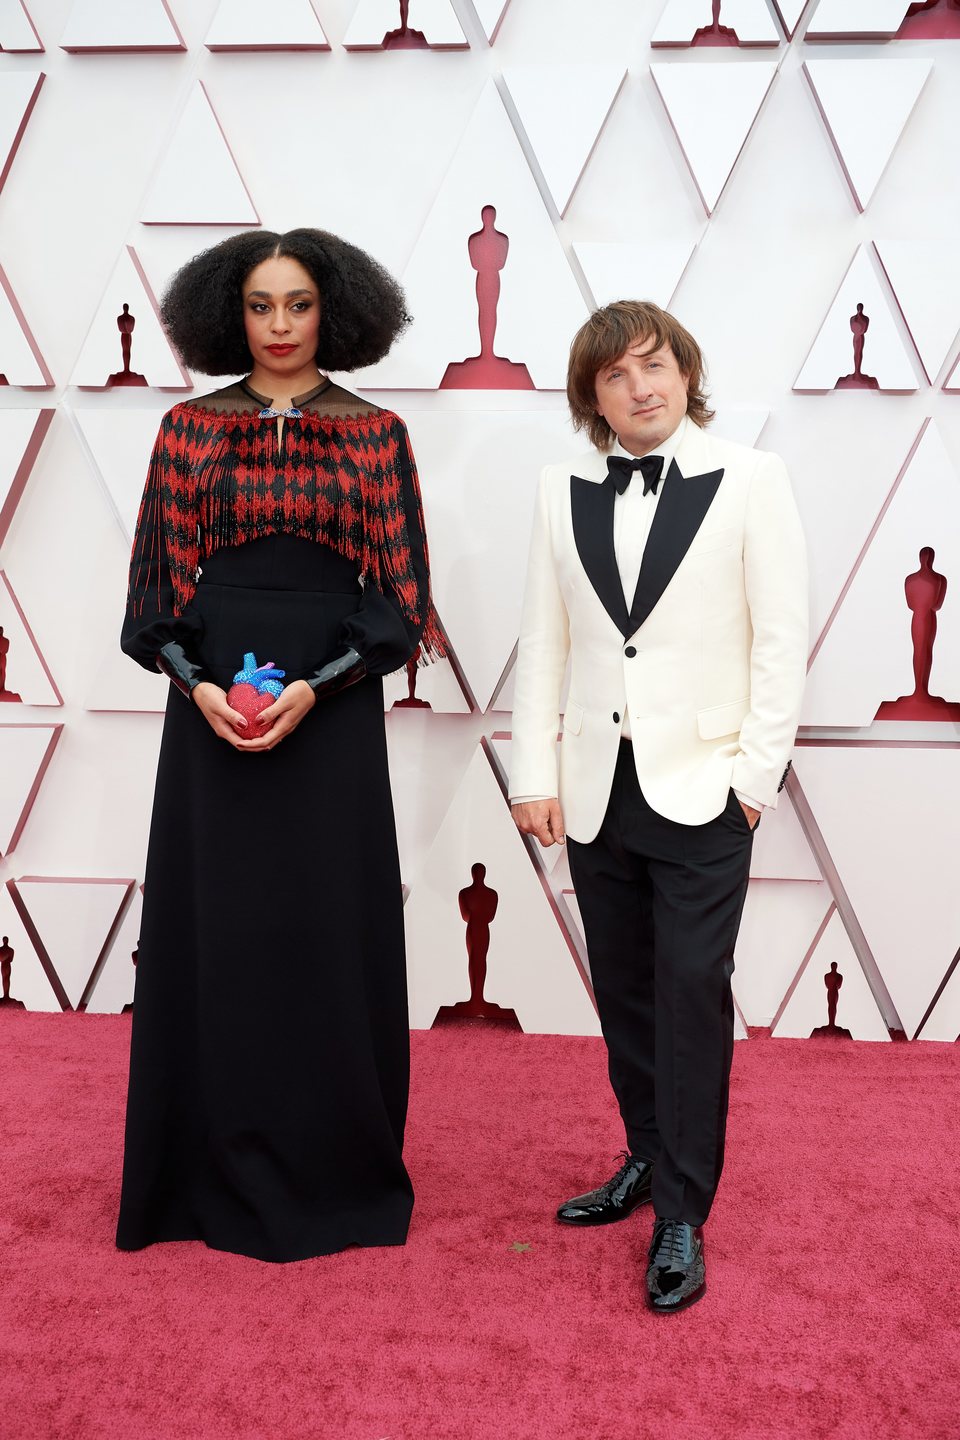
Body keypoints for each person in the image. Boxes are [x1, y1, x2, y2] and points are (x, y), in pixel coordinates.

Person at [116, 228, 443, 1264]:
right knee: (215, 935)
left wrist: (316, 689)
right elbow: (149, 603)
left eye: (299, 305)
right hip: (211, 713)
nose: (281, 327)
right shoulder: (186, 431)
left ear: (334, 312)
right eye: (261, 307)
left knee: (325, 936)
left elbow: (400, 605)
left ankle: (335, 1171)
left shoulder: (377, 436)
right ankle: (194, 1179)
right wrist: (201, 688)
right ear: (230, 316)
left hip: (329, 716)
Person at [509, 301, 807, 1312]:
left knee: (689, 990)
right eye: (617, 375)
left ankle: (683, 1208)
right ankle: (645, 1154)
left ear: (686, 370)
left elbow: (780, 639)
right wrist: (534, 774)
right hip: (598, 789)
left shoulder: (751, 480)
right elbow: (544, 638)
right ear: (592, 398)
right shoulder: (561, 489)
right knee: (627, 992)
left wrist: (753, 781)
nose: (642, 386)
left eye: (657, 364)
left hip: (705, 789)